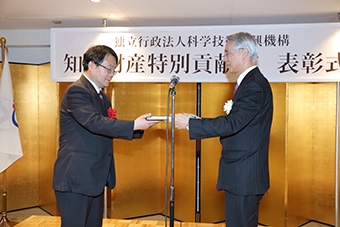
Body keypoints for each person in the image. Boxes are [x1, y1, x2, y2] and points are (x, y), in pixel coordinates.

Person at [52, 45, 160, 227]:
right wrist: (133, 125)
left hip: (94, 178)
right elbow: (94, 122)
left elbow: (106, 128)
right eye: (108, 68)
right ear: (92, 65)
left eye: (114, 70)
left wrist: (138, 128)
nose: (111, 74)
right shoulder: (77, 91)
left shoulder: (103, 96)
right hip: (76, 178)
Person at [174, 32, 273, 226]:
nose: (224, 58)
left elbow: (233, 123)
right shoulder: (249, 83)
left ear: (244, 52)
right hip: (242, 174)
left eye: (227, 53)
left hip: (244, 175)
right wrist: (200, 120)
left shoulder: (253, 85)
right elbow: (240, 122)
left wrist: (190, 124)